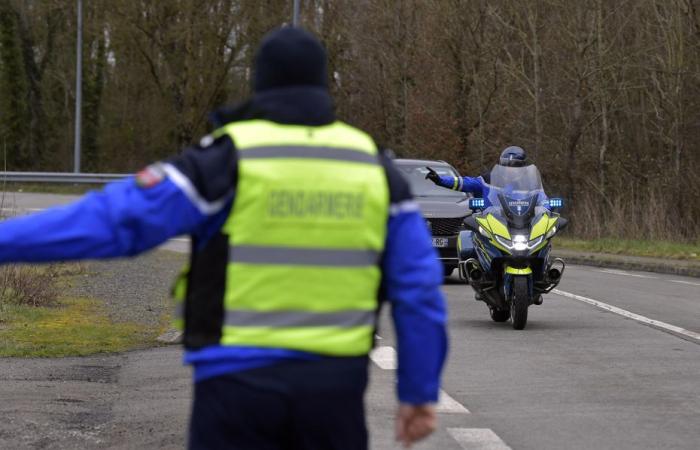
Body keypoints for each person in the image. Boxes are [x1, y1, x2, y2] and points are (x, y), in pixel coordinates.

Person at [0, 27, 447, 449]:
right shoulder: (374, 169)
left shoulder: (227, 158)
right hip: (333, 397)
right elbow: (419, 289)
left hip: (235, 392)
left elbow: (112, 221)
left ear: (259, 85)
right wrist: (419, 392)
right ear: (323, 85)